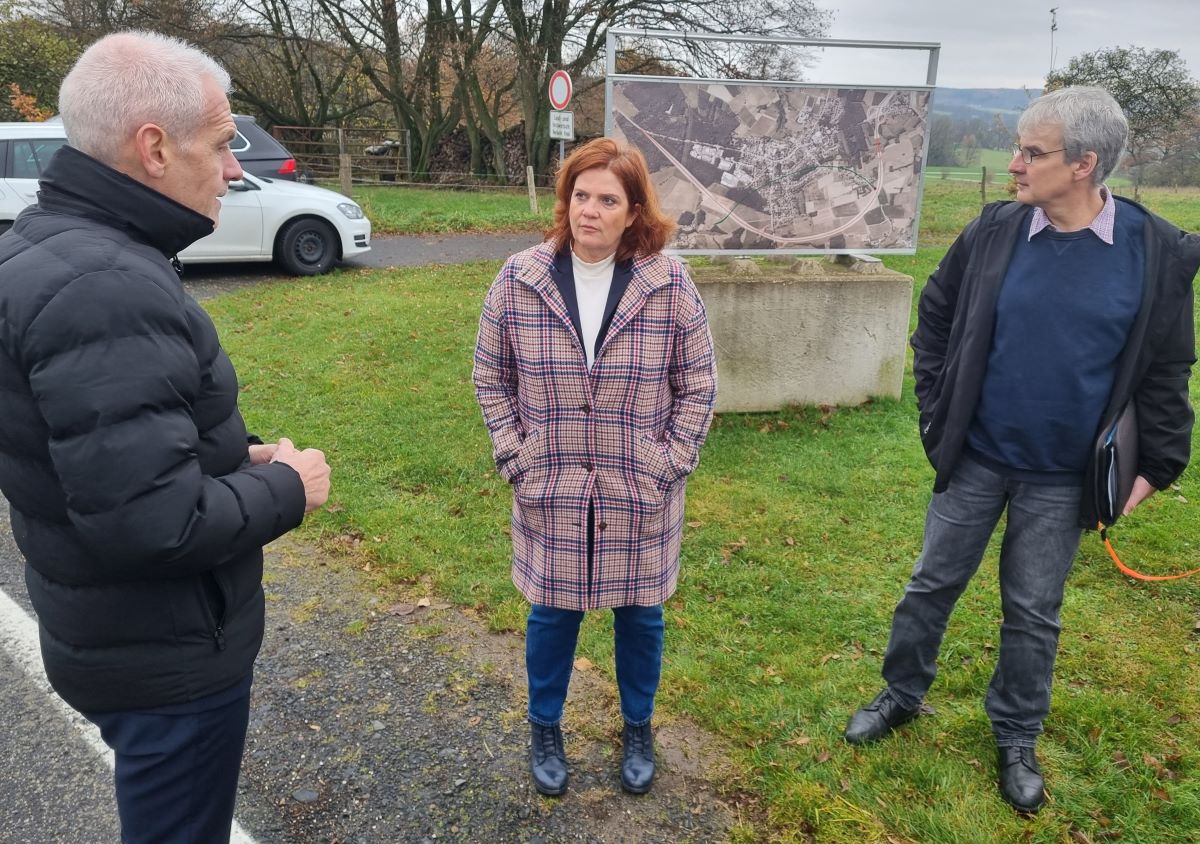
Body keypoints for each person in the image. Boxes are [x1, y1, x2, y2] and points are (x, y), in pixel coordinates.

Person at [0, 31, 331, 843]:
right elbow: (154, 524)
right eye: (221, 145)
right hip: (166, 663)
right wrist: (289, 484)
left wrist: (223, 456)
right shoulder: (105, 285)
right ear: (153, 147)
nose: (232, 168)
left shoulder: (49, 249)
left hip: (111, 637)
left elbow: (92, 450)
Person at [843, 86, 1199, 814]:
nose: (1013, 165)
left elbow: (1167, 368)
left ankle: (1015, 734)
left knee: (1034, 611)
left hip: (1062, 480)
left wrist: (1157, 465)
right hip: (974, 458)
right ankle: (902, 693)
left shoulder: (1155, 252)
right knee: (929, 586)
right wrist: (937, 415)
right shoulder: (996, 230)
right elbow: (935, 316)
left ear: (1083, 164)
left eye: (1030, 153)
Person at [473, 138, 717, 796]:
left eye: (608, 199)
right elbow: (490, 377)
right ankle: (544, 725)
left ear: (634, 211)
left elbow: (697, 385)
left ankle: (638, 725)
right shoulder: (520, 278)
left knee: (642, 615)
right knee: (552, 614)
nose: (590, 210)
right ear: (566, 200)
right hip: (550, 484)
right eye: (581, 195)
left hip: (639, 489)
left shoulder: (667, 284)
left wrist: (670, 462)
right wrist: (516, 454)